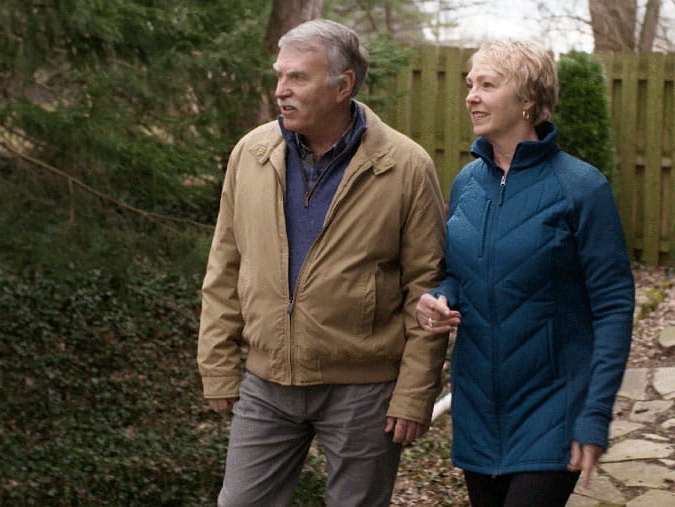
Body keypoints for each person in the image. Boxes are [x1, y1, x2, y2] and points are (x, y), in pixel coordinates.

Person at [197, 18, 449, 507]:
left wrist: (415, 393)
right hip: (267, 383)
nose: (281, 91)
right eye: (280, 76)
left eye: (298, 78)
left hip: (364, 389)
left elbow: (427, 288)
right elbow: (224, 267)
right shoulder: (250, 154)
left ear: (343, 85)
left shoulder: (405, 165)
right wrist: (217, 365)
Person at [416, 40, 635, 507]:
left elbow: (614, 307)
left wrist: (594, 415)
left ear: (528, 101)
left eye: (488, 85)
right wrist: (439, 298)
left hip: (553, 410)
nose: (471, 96)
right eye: (469, 85)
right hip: (477, 412)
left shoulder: (581, 187)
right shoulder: (466, 184)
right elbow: (459, 274)